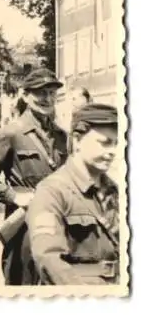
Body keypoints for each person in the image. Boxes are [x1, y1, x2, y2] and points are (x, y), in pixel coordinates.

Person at [0, 68, 69, 285]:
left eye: (51, 93)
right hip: (23, 224)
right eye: (40, 93)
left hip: (56, 223)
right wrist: (14, 196)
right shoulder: (11, 132)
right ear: (25, 96)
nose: (47, 99)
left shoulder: (61, 136)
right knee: (22, 284)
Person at [27, 103, 119, 285]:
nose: (112, 151)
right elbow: (49, 258)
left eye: (116, 144)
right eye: (105, 143)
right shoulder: (52, 191)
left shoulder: (114, 190)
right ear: (77, 141)